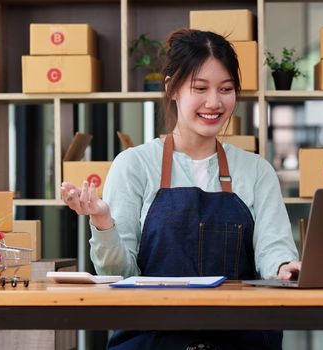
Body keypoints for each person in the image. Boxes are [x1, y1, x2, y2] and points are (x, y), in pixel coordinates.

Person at [61, 29, 301, 350]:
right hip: (152, 338)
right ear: (172, 89)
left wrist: (285, 268)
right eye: (200, 88)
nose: (214, 102)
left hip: (241, 337)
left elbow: (273, 251)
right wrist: (104, 223)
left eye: (226, 89)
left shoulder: (256, 170)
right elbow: (120, 274)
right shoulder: (133, 165)